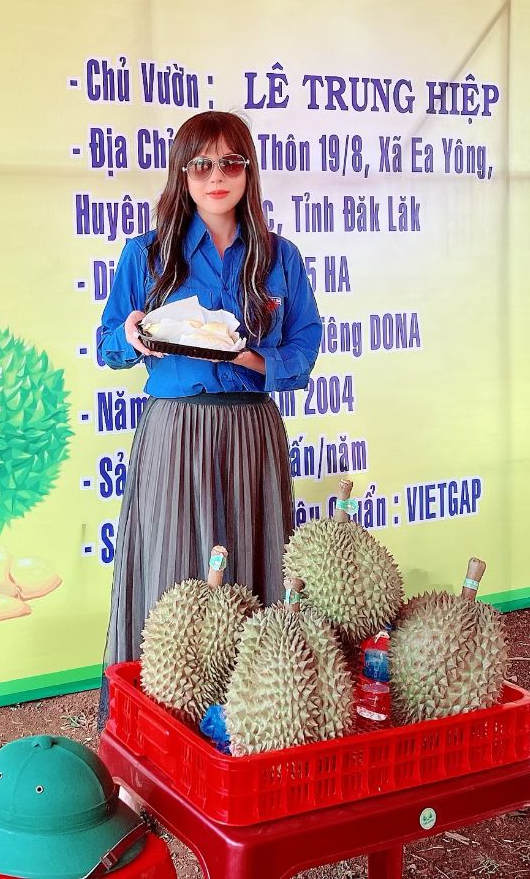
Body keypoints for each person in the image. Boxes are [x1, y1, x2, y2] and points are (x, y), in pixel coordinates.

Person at [94, 111, 322, 720]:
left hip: (251, 429)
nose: (216, 176)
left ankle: (258, 715)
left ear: (248, 170)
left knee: (255, 563)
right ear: (182, 174)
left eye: (230, 162)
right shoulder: (146, 254)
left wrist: (260, 359)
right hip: (175, 430)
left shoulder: (281, 255)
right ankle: (158, 721)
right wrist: (132, 334)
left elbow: (305, 345)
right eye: (201, 164)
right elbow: (108, 346)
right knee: (173, 568)